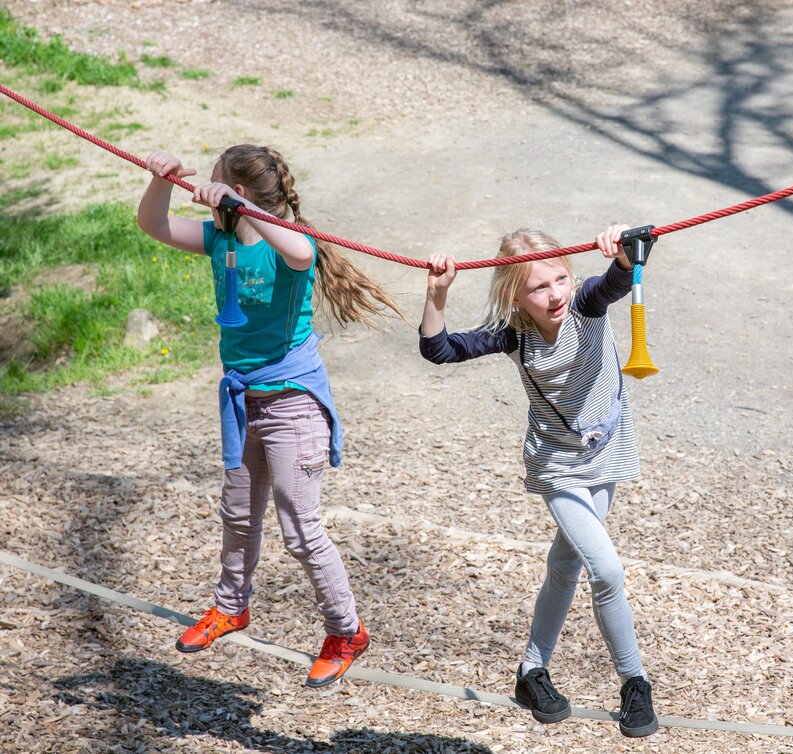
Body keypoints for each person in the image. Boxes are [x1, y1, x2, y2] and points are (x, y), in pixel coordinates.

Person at [137, 144, 402, 687]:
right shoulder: (220, 239)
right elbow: (154, 225)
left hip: (292, 404)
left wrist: (243, 207)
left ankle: (346, 631)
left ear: (241, 196)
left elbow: (302, 254)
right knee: (237, 515)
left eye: (218, 186)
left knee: (300, 529)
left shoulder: (289, 243)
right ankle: (230, 606)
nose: (208, 195)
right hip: (243, 403)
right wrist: (161, 180)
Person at [419, 225, 658, 738]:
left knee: (566, 563)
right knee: (606, 570)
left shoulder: (585, 306)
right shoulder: (513, 334)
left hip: (606, 451)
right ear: (515, 297)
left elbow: (613, 284)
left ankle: (532, 671)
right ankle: (635, 681)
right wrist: (437, 294)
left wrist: (622, 256)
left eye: (559, 280)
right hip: (556, 464)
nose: (554, 295)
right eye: (538, 287)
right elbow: (439, 350)